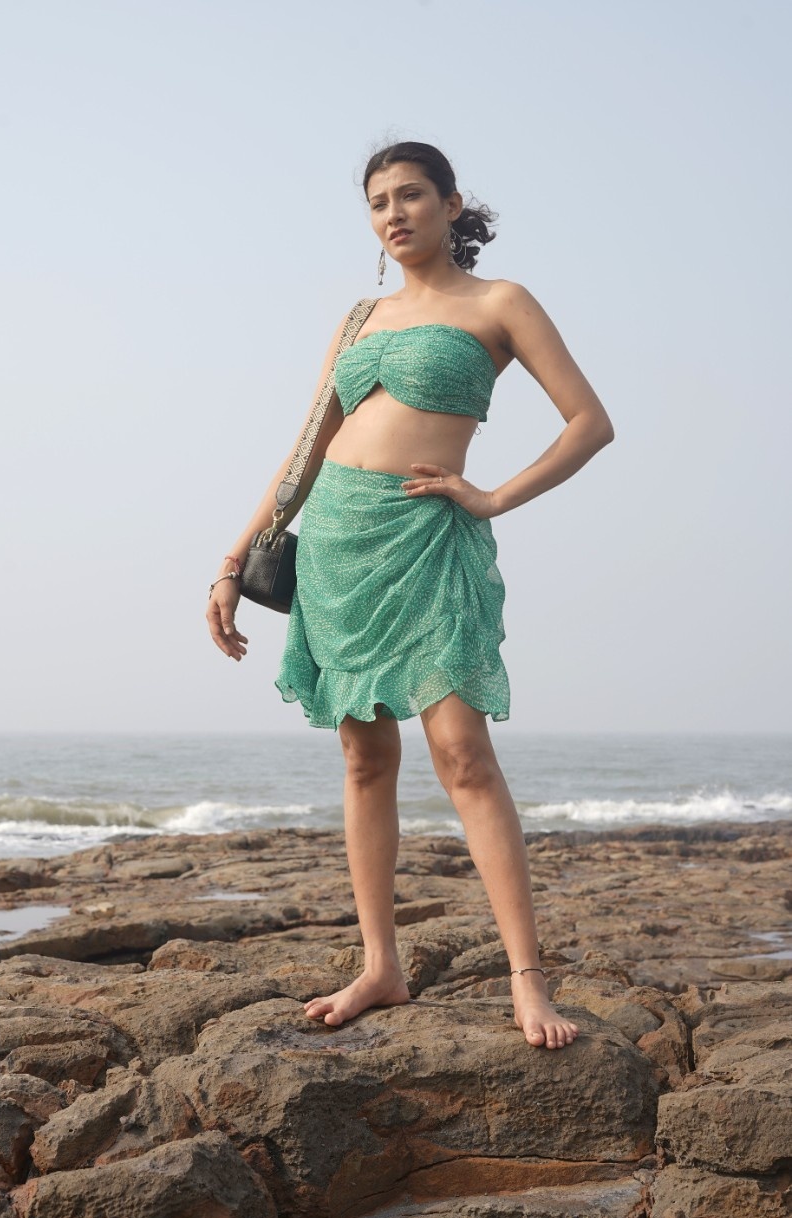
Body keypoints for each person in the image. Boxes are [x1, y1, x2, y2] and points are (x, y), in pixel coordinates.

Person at [207, 141, 614, 1050]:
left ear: (450, 203)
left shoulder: (499, 303)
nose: (394, 215)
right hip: (338, 546)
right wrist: (232, 562)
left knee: (461, 752)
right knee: (363, 759)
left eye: (411, 196)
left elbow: (590, 422)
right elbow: (307, 446)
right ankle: (380, 965)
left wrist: (494, 494)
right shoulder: (360, 316)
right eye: (378, 203)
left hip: (430, 539)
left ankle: (527, 981)